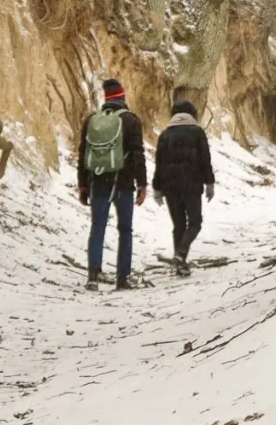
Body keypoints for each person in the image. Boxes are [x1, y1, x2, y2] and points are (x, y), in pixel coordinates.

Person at [78, 78, 147, 291]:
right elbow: (137, 154)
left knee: (97, 227)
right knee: (125, 230)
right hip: (124, 183)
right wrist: (142, 184)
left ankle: (92, 277)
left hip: (98, 181)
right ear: (122, 97)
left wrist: (82, 185)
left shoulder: (92, 121)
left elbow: (82, 154)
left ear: (106, 99)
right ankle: (122, 279)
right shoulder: (131, 120)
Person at [151, 98, 215, 275]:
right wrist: (209, 182)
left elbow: (159, 163)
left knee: (178, 225)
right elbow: (205, 160)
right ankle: (180, 255)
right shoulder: (197, 132)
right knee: (195, 222)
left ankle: (180, 263)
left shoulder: (165, 134)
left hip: (170, 187)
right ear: (191, 114)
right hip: (192, 185)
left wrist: (157, 188)